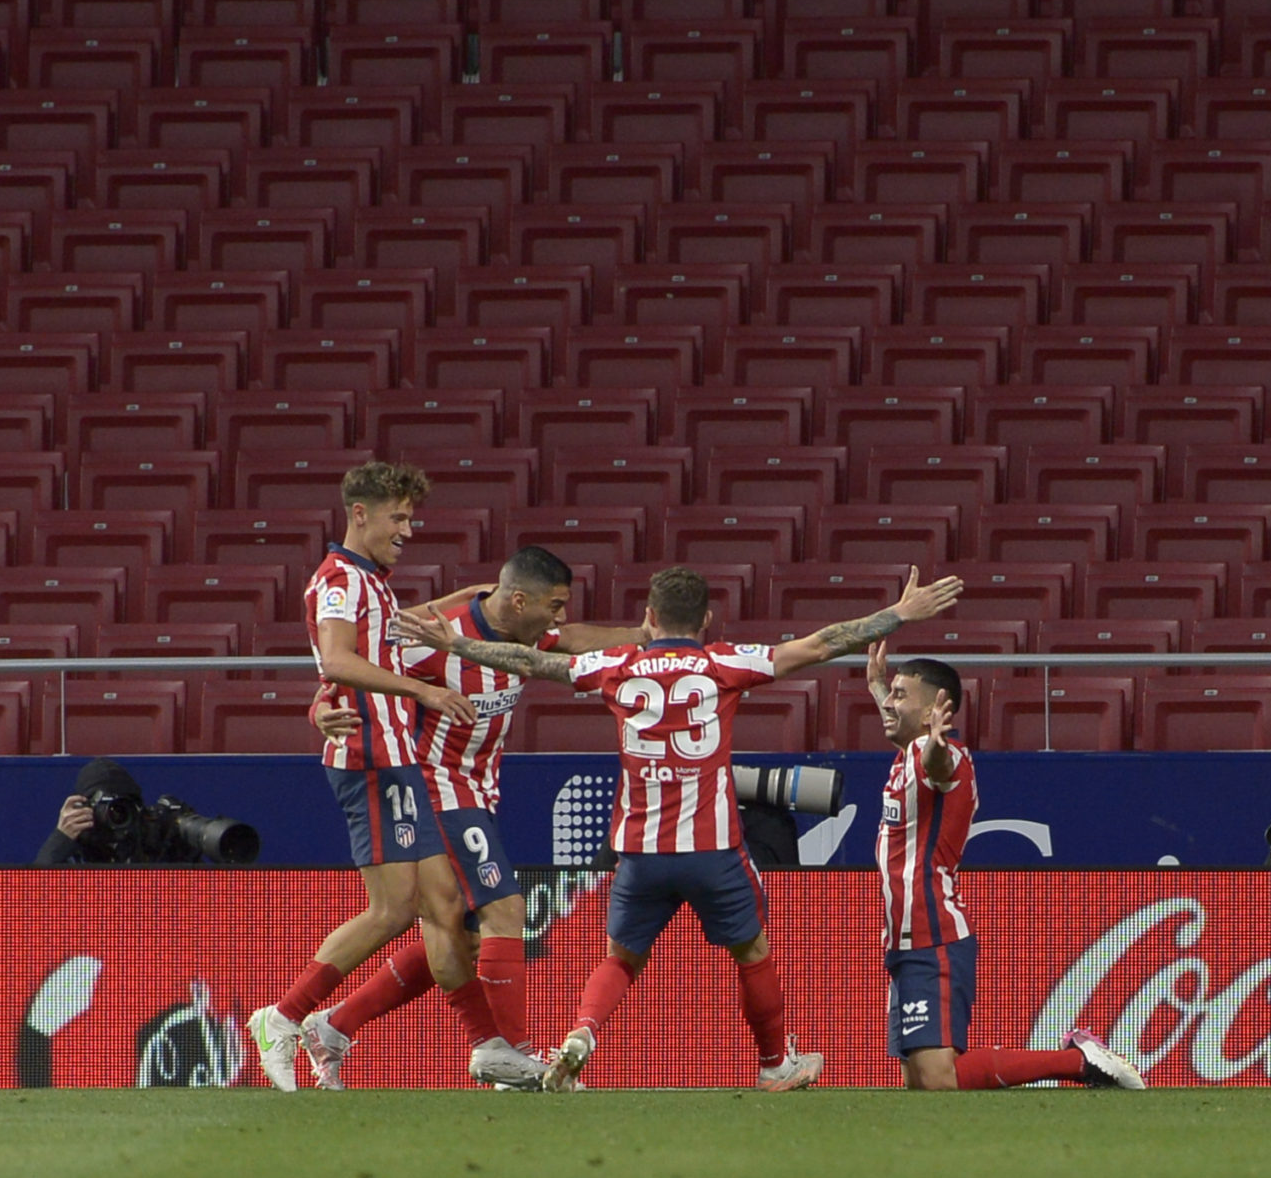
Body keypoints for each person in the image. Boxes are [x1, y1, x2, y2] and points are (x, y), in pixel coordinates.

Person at [397, 563, 964, 1093]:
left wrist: (460, 645)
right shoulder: (722, 663)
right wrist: (900, 614)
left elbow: (536, 663)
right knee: (752, 952)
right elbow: (823, 643)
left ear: (649, 618)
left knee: (621, 956)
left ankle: (580, 1036)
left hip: (639, 849)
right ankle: (774, 1065)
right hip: (713, 848)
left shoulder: (616, 665)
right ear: (706, 621)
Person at [296, 545, 649, 1090]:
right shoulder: (436, 636)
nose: (558, 616)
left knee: (454, 932)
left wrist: (643, 636)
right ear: (517, 599)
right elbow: (351, 672)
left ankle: (334, 1027)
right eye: (553, 605)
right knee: (504, 909)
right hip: (433, 785)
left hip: (478, 791)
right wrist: (319, 710)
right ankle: (513, 1058)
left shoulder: (526, 638)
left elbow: (576, 639)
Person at [247, 461, 498, 1093]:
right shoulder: (340, 581)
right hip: (371, 761)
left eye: (411, 516)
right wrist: (422, 691)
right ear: (360, 514)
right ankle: (284, 1017)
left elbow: (373, 643)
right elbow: (335, 657)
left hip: (396, 760)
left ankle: (482, 1047)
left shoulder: (372, 583)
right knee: (393, 909)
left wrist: (469, 599)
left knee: (443, 904)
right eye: (398, 516)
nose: (408, 529)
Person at [863, 638, 1143, 1092]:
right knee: (917, 1083)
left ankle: (1077, 1061)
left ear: (938, 707)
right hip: (903, 940)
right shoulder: (906, 754)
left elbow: (937, 763)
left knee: (938, 1080)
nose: (887, 704)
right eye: (889, 695)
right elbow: (908, 731)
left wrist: (934, 741)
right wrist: (879, 687)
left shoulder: (942, 754)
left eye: (899, 695)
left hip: (932, 935)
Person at [34, 758, 149, 866]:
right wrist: (61, 839)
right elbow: (37, 884)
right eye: (106, 805)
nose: (115, 814)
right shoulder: (76, 845)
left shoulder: (144, 836)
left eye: (121, 806)